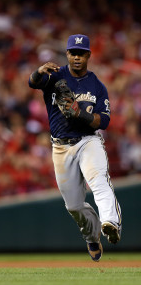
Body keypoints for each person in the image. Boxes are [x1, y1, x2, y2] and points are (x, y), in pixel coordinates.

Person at [28, 34, 122, 262]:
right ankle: (92, 236)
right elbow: (32, 83)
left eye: (81, 53)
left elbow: (105, 121)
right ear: (67, 54)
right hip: (61, 147)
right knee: (74, 206)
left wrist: (81, 114)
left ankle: (111, 222)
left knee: (99, 180)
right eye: (73, 53)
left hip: (88, 141)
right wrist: (38, 72)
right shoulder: (55, 75)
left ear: (88, 55)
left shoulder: (97, 86)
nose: (77, 57)